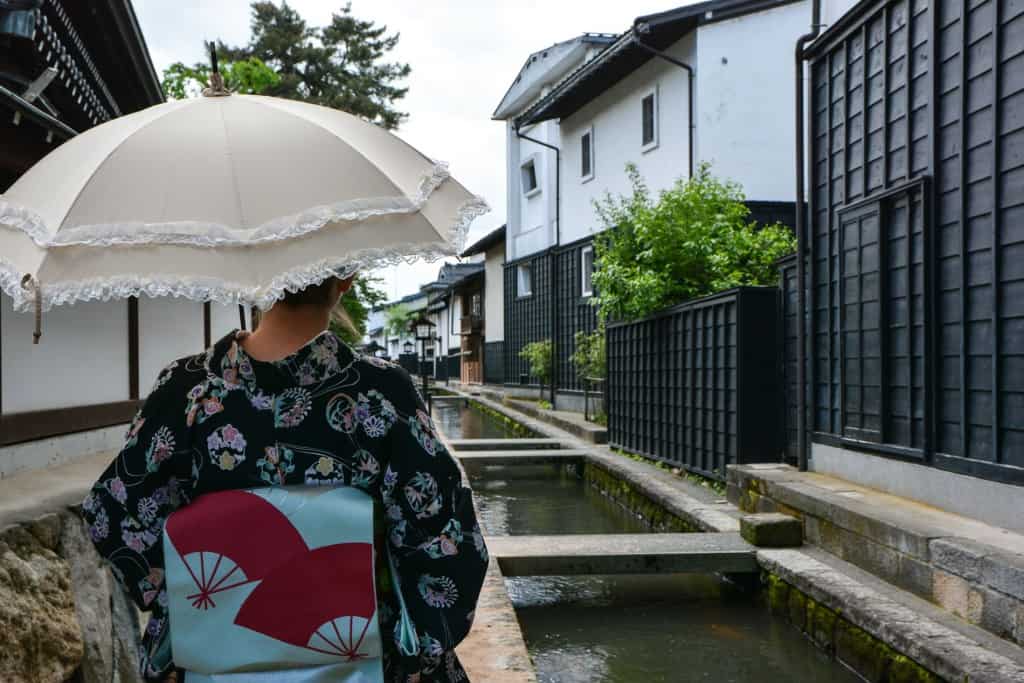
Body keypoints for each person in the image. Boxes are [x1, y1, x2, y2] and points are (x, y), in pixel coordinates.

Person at [82, 276, 488, 682]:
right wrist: (417, 646)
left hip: (212, 659)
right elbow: (450, 541)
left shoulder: (185, 389)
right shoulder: (382, 392)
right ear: (345, 280)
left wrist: (195, 597)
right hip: (366, 658)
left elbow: (112, 513)